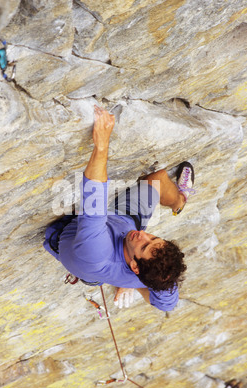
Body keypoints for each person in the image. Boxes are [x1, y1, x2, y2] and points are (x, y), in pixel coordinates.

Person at [44, 106, 195, 311]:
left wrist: (102, 145)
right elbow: (167, 304)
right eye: (153, 238)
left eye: (144, 246)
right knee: (158, 178)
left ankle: (95, 278)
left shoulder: (97, 252)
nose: (143, 234)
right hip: (123, 222)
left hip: (87, 240)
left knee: (92, 260)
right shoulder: (154, 275)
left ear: (135, 267)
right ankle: (179, 202)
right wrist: (130, 282)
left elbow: (94, 199)